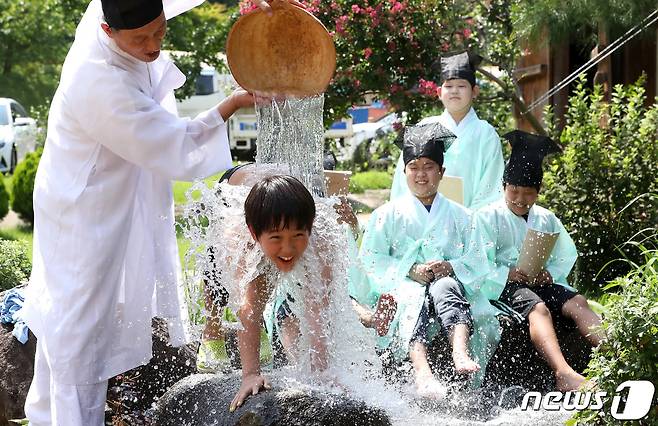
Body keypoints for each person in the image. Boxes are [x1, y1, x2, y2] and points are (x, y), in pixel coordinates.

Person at [18, 0, 270, 424]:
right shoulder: (97, 80)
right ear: (107, 30)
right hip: (85, 211)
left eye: (160, 32)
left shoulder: (113, 19)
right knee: (81, 325)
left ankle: (45, 415)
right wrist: (228, 106)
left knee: (67, 315)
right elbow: (171, 144)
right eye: (141, 38)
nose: (154, 46)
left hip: (101, 193)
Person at [355, 122, 500, 398]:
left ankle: (460, 351)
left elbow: (479, 259)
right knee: (412, 300)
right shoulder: (386, 215)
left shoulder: (463, 216)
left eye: (429, 166)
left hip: (449, 288)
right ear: (405, 171)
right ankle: (423, 373)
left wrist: (451, 266)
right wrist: (408, 269)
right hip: (405, 288)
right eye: (414, 167)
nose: (421, 174)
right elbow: (371, 259)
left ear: (442, 172)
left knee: (446, 287)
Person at [468, 130, 604, 391]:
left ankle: (618, 353)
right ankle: (563, 372)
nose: (520, 199)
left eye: (528, 193)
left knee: (577, 301)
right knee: (538, 309)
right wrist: (505, 273)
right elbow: (476, 262)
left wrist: (550, 272)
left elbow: (565, 254)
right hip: (504, 286)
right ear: (503, 187)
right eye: (514, 191)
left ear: (539, 191)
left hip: (538, 281)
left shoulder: (546, 217)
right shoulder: (486, 217)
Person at [389, 51, 504, 210]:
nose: (454, 91)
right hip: (424, 218)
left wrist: (472, 220)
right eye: (448, 86)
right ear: (439, 93)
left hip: (470, 221)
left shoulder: (486, 134)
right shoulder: (424, 128)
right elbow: (405, 176)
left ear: (475, 91)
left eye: (462, 86)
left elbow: (491, 185)